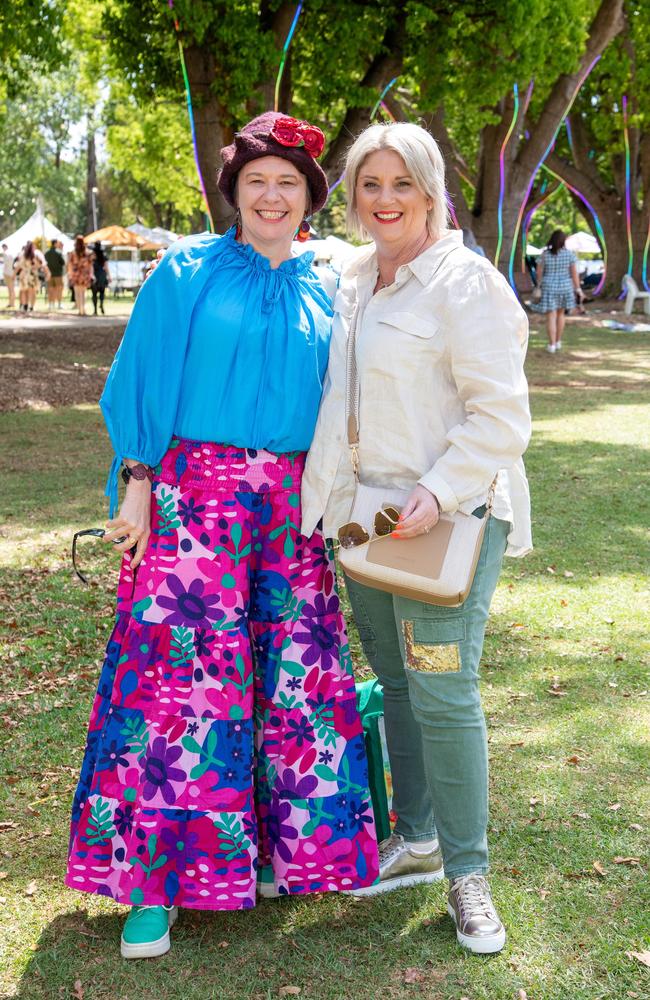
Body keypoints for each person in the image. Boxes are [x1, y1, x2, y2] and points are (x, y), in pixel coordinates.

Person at [65, 111, 379, 960]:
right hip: (191, 501)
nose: (271, 196)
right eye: (256, 183)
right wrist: (135, 484)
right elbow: (144, 375)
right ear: (234, 193)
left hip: (292, 507)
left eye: (287, 183)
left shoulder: (330, 286)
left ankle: (281, 858)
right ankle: (154, 887)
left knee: (294, 683)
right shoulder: (187, 270)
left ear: (309, 197)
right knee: (180, 687)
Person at [301, 122, 532, 955]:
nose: (386, 200)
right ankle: (420, 838)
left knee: (442, 689)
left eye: (403, 184)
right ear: (354, 196)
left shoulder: (462, 284)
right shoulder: (355, 279)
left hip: (446, 521)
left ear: (432, 190)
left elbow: (501, 416)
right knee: (396, 683)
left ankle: (467, 875)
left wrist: (438, 491)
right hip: (364, 524)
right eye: (370, 184)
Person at [535, 229, 584, 352]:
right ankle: (558, 342)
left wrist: (538, 284)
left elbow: (539, 272)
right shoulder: (569, 255)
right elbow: (574, 274)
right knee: (561, 314)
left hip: (548, 286)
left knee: (551, 316)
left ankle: (551, 345)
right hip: (565, 286)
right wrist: (578, 288)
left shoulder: (545, 254)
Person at [14, 241, 49, 312]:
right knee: (33, 292)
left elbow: (18, 266)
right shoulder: (37, 254)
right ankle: (31, 306)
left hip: (24, 274)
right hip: (33, 275)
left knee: (24, 291)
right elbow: (43, 264)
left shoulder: (23, 254)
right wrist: (47, 273)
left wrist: (14, 274)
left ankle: (25, 305)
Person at [67, 235, 93, 316]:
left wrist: (70, 274)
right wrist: (91, 274)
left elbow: (70, 265)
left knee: (77, 292)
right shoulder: (88, 253)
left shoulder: (73, 253)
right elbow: (90, 265)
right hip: (84, 274)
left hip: (76, 274)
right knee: (83, 292)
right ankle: (83, 309)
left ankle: (80, 309)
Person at [44, 239, 65, 309]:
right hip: (58, 274)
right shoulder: (58, 252)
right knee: (59, 289)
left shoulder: (46, 253)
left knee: (50, 289)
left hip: (49, 274)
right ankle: (59, 304)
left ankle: (50, 304)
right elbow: (63, 262)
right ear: (55, 243)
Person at [90, 241, 110, 314]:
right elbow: (106, 267)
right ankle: (101, 304)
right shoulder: (103, 255)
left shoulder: (93, 255)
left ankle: (95, 310)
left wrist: (92, 275)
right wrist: (109, 276)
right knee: (102, 292)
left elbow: (91, 267)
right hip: (102, 275)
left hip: (95, 275)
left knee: (94, 294)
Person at [2, 243, 16, 309]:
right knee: (12, 289)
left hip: (7, 273)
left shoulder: (5, 253)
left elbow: (6, 263)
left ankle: (11, 303)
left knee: (10, 289)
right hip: (12, 273)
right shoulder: (12, 253)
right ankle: (11, 303)